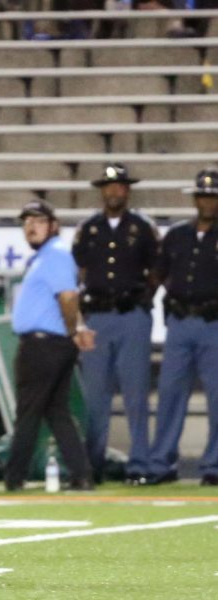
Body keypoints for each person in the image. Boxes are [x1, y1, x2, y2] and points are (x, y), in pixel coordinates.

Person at [72, 163, 159, 485]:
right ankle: (93, 464)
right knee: (97, 397)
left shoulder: (142, 227)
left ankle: (139, 466)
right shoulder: (89, 229)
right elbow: (78, 272)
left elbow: (158, 269)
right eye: (109, 186)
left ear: (127, 190)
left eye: (120, 186)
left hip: (132, 315)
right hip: (98, 316)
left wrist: (142, 297)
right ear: (102, 191)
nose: (114, 192)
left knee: (136, 394)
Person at [4, 200, 97, 492]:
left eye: (38, 221)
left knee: (28, 410)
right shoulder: (49, 256)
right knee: (56, 412)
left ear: (54, 226)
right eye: (27, 222)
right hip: (54, 344)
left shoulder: (54, 255)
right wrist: (76, 330)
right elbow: (68, 297)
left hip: (43, 345)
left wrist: (74, 330)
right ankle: (82, 474)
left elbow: (68, 297)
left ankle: (14, 476)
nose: (31, 227)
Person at [148, 168, 218, 487]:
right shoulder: (176, 235)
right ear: (194, 198)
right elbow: (157, 275)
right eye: (203, 196)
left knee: (217, 397)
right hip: (179, 322)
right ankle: (161, 462)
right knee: (170, 393)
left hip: (213, 323)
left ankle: (214, 465)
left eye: (213, 196)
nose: (208, 202)